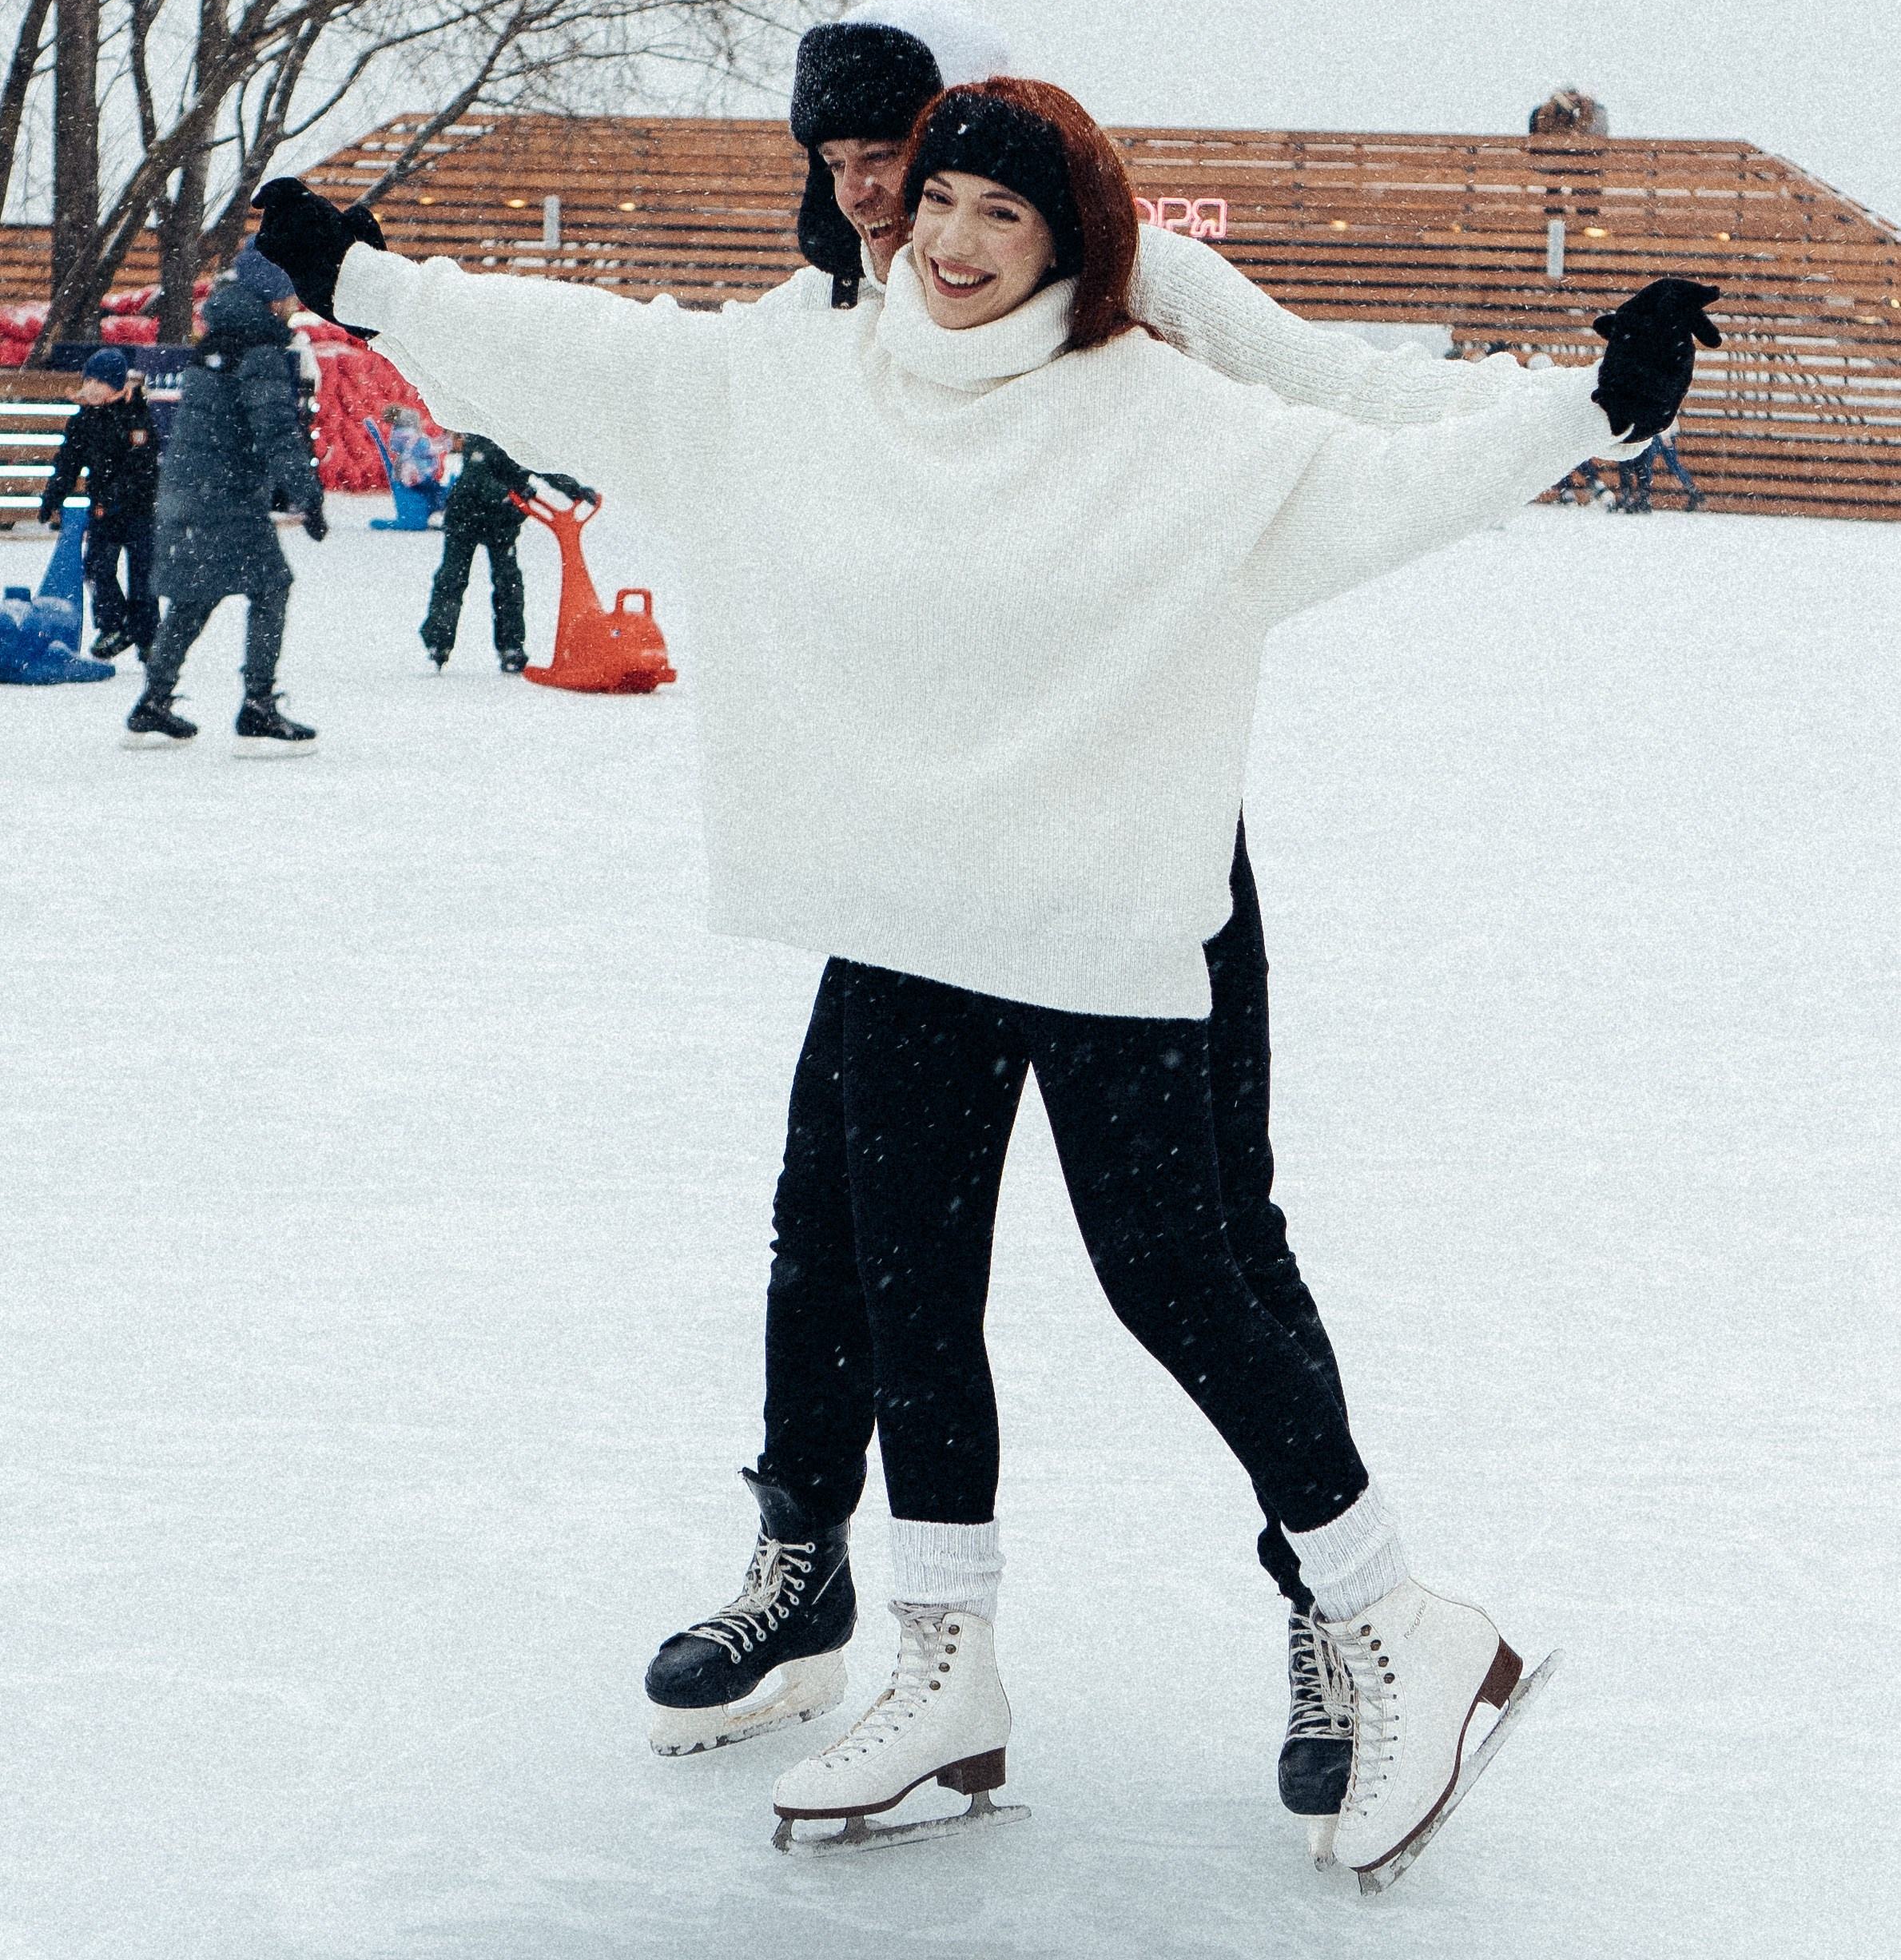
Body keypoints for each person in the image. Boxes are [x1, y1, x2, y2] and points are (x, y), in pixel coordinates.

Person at [253, 94, 1713, 1886]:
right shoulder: (807, 375)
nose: (944, 238)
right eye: (932, 197)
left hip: (1100, 907)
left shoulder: (1162, 414)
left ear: (1069, 240)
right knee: (905, 1278)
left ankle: (1388, 1612)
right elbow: (592, 354)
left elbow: (1366, 472)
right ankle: (943, 1661)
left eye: (994, 213)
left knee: (1175, 1266)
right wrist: (371, 283)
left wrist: (1585, 410)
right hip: (905, 908)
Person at [638, 0, 1564, 1833]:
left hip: (1137, 846)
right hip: (913, 856)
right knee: (839, 1216)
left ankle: (1340, 1608)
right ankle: (806, 1560)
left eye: (899, 154)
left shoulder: (1123, 286)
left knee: (1200, 1235)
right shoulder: (824, 317)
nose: (874, 192)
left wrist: (1556, 411)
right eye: (837, 164)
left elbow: (1344, 406)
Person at [125, 244, 327, 753]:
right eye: (290, 294)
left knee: (195, 597)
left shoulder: (216, 341)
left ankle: (153, 701)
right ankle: (258, 705)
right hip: (226, 499)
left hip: (188, 490)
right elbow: (275, 433)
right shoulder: (258, 351)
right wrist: (307, 496)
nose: (294, 304)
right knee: (272, 587)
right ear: (270, 296)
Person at [421, 434, 597, 672]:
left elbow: (547, 470)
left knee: (509, 582)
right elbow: (476, 477)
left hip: (502, 523)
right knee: (453, 577)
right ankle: (439, 641)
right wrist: (507, 492)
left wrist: (575, 490)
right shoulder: (483, 437)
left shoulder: (523, 439)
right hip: (465, 516)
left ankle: (511, 647)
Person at [38, 344, 161, 659]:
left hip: (139, 511)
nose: (91, 388)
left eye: (99, 382)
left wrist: (122, 492)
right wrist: (53, 496)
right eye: (88, 381)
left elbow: (143, 466)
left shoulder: (137, 418)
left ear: (116, 385)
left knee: (143, 575)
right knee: (96, 568)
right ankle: (113, 624)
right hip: (103, 509)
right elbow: (68, 463)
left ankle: (147, 635)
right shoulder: (84, 420)